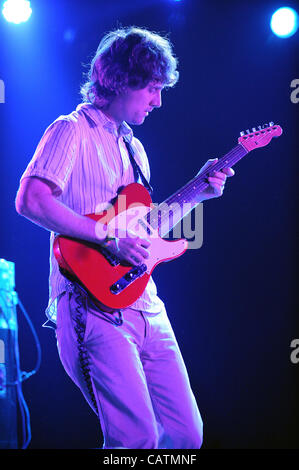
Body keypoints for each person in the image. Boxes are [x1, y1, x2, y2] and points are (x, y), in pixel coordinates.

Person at [15, 27, 234, 449]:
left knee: (187, 436)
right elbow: (31, 200)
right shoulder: (70, 130)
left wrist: (200, 190)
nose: (158, 101)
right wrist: (107, 237)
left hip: (146, 303)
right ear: (119, 79)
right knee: (135, 439)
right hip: (90, 304)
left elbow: (145, 233)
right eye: (152, 88)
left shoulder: (135, 148)